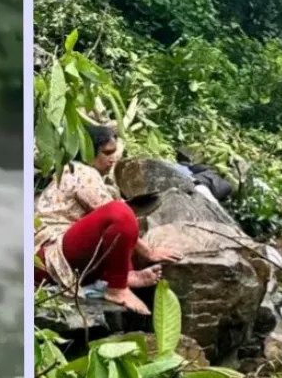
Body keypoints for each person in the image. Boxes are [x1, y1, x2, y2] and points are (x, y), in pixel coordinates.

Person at [35, 125, 179, 314]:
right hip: (49, 258)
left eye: (114, 152)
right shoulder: (80, 172)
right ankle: (117, 288)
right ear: (88, 152)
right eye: (106, 153)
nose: (113, 159)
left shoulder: (90, 176)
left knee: (121, 218)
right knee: (120, 212)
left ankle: (123, 276)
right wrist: (149, 252)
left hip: (62, 258)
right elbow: (115, 215)